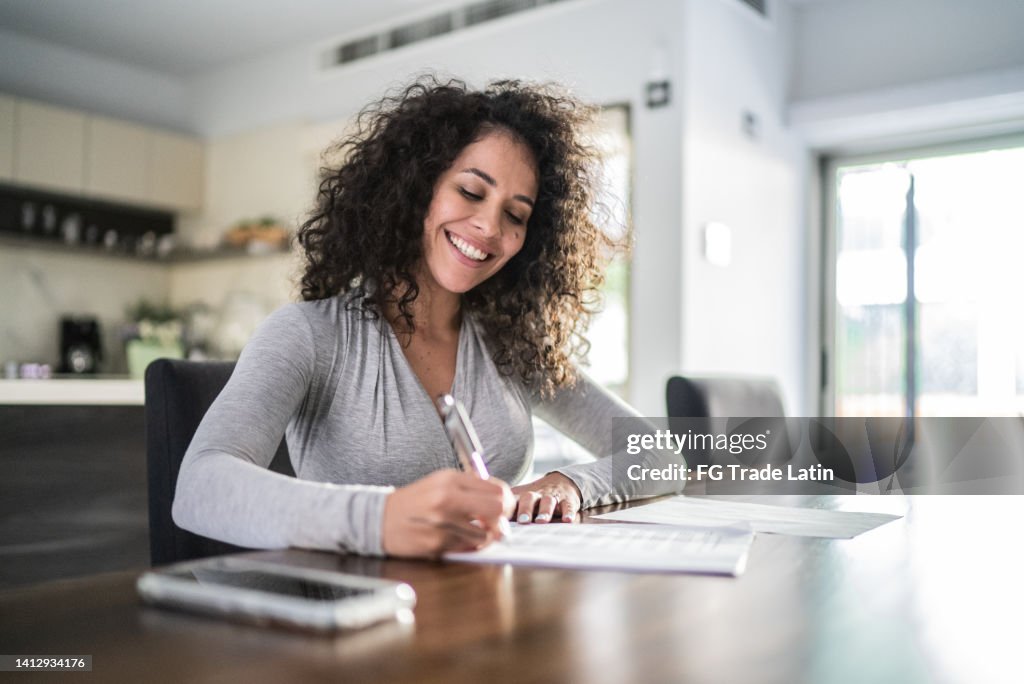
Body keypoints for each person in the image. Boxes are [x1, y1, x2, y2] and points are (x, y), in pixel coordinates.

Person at [172, 76, 675, 559]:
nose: (488, 227)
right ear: (416, 189)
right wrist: (381, 518)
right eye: (472, 192)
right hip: (358, 626)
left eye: (515, 215)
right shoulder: (309, 335)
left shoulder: (512, 346)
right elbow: (199, 485)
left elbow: (662, 454)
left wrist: (571, 484)